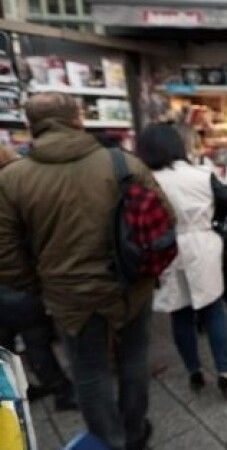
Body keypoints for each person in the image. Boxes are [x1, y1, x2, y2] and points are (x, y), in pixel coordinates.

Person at [0, 93, 164, 450]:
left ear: (30, 124)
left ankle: (110, 440)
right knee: (134, 361)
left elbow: (6, 252)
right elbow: (163, 221)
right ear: (78, 118)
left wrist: (38, 284)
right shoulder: (123, 163)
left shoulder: (12, 179)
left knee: (90, 372)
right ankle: (135, 432)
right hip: (129, 285)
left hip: (68, 294)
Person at [135, 124, 227, 398]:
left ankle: (194, 371)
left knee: (180, 313)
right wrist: (214, 219)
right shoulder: (201, 175)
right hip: (202, 243)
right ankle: (225, 371)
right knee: (214, 309)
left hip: (166, 247)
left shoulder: (145, 182)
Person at [0, 146, 76, 412]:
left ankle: (14, 393)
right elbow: (12, 248)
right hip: (15, 285)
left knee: (5, 345)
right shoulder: (10, 194)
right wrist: (30, 283)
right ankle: (61, 391)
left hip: (8, 284)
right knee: (36, 339)